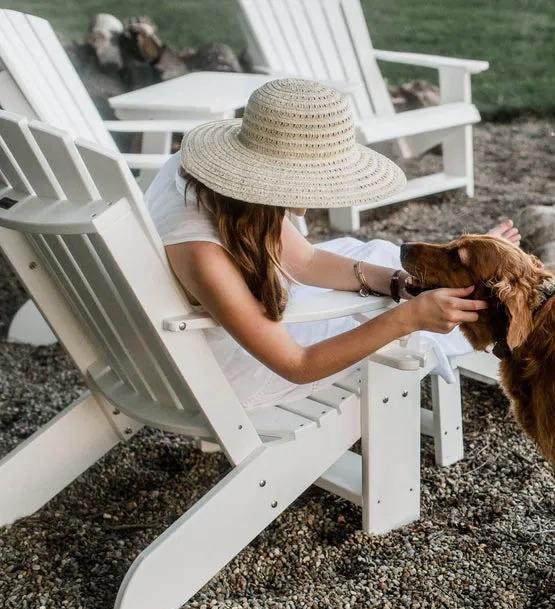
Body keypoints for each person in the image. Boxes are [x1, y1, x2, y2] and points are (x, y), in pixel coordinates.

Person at [144, 78, 520, 409]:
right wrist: (408, 318)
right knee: (398, 321)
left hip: (234, 326)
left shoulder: (216, 182)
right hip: (240, 372)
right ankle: (496, 313)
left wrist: (395, 283)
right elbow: (298, 365)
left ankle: (465, 276)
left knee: (379, 256)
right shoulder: (203, 254)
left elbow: (303, 261)